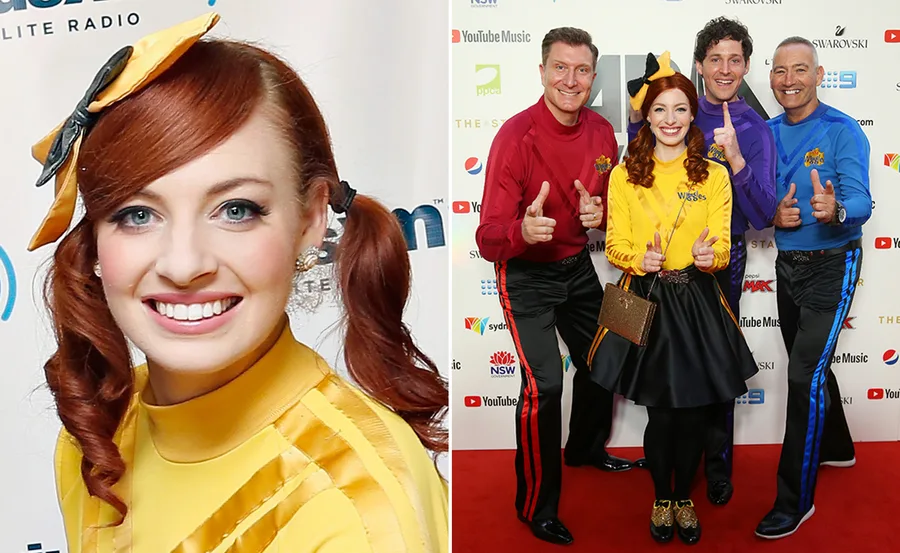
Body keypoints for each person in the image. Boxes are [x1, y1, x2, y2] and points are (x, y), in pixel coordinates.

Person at [27, 13, 448, 553]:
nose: (183, 264)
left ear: (310, 220)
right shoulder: (95, 435)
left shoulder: (358, 506)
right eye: (136, 214)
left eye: (236, 209)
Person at [589, 55, 758, 546]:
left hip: (697, 300)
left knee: (696, 412)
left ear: (691, 116)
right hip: (644, 299)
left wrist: (708, 257)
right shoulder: (624, 175)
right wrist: (639, 260)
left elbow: (723, 249)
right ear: (648, 115)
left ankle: (684, 495)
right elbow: (615, 244)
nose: (669, 119)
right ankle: (663, 497)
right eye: (660, 109)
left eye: (680, 109)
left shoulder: (713, 174)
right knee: (661, 412)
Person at [475, 27, 634, 546]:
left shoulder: (603, 132)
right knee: (544, 386)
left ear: (593, 76)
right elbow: (486, 236)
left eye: (582, 70)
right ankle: (536, 505)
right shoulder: (514, 137)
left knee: (613, 349)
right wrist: (520, 231)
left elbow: (609, 211)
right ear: (542, 71)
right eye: (560, 68)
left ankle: (586, 447)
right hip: (525, 274)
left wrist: (601, 215)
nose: (571, 80)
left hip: (576, 266)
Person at [627, 17, 777, 507]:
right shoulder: (666, 110)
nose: (725, 69)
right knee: (648, 368)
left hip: (717, 262)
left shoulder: (754, 128)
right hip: (648, 268)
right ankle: (663, 478)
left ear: (747, 66)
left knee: (713, 365)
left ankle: (716, 469)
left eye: (735, 59)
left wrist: (735, 159)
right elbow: (631, 192)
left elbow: (760, 215)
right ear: (699, 65)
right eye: (715, 58)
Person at [754, 36, 870, 540]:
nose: (789, 80)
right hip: (788, 265)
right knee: (812, 365)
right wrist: (769, 213)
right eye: (780, 71)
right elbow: (756, 198)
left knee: (803, 375)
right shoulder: (766, 132)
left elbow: (861, 200)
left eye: (800, 70)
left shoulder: (843, 131)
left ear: (819, 75)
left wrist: (836, 209)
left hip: (833, 264)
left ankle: (793, 500)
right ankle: (838, 447)